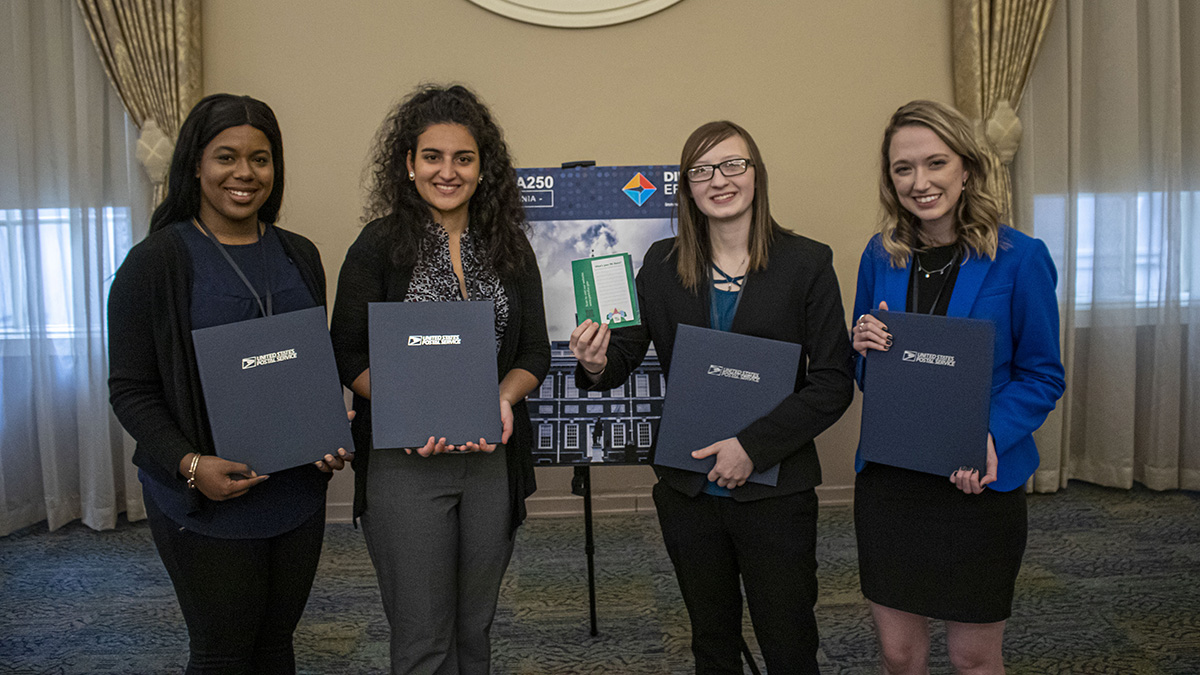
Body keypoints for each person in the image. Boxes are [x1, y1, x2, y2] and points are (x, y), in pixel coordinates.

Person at [570, 120, 855, 674]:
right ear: (687, 188)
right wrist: (596, 360)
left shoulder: (807, 263)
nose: (718, 180)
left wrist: (752, 446)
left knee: (790, 643)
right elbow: (623, 357)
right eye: (700, 171)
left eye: (732, 165)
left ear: (756, 175)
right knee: (711, 643)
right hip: (689, 491)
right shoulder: (659, 264)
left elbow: (833, 381)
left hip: (775, 490)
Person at [107, 93, 353, 674]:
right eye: (226, 157)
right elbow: (130, 390)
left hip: (296, 491)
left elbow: (306, 362)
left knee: (275, 647)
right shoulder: (155, 263)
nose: (244, 173)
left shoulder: (300, 254)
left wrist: (325, 425)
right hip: (205, 497)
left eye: (261, 159)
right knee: (222, 652)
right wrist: (191, 465)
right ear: (195, 164)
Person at [329, 84, 550, 675]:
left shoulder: (509, 246)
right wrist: (415, 407)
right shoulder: (377, 247)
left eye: (464, 158)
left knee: (474, 630)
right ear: (408, 163)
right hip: (407, 458)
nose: (447, 171)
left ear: (484, 169)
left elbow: (534, 352)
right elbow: (346, 353)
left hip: (490, 456)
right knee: (424, 638)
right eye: (432, 156)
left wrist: (502, 398)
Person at [851, 100, 1066, 675]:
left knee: (973, 659)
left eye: (935, 163)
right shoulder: (880, 256)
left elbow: (1044, 375)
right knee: (899, 655)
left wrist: (988, 436)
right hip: (893, 482)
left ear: (967, 168)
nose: (920, 182)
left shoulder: (1021, 258)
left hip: (977, 484)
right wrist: (864, 346)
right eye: (903, 169)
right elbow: (869, 377)